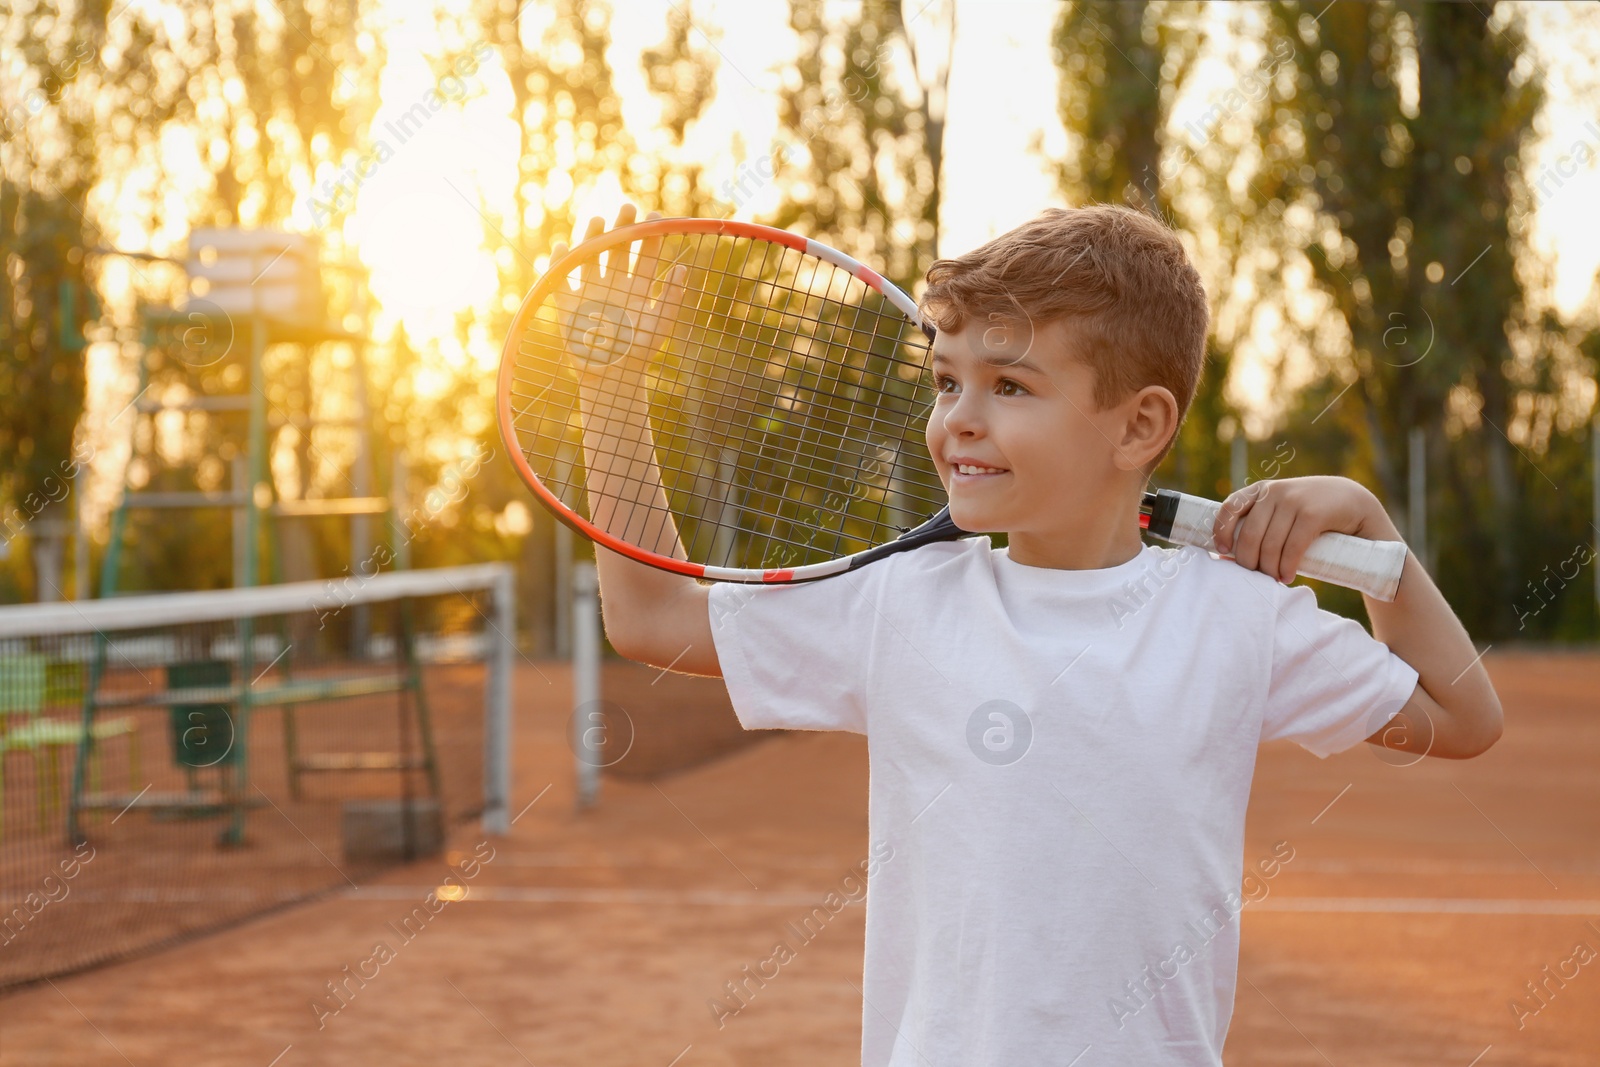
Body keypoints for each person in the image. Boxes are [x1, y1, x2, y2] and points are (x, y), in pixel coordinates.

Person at [570, 201, 1504, 1065]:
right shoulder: (901, 603)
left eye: (1010, 386)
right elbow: (650, 616)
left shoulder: (1235, 616)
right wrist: (610, 389)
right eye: (945, 380)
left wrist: (1373, 529)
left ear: (1139, 425)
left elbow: (1461, 717)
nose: (958, 421)